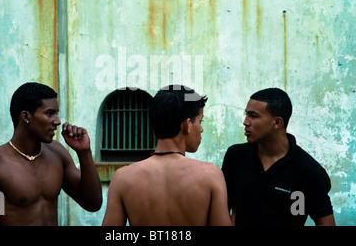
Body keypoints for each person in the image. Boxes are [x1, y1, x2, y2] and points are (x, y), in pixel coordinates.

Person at [0, 82, 102, 225]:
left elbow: (93, 204)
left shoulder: (57, 153)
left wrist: (84, 153)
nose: (58, 121)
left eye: (57, 113)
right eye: (50, 113)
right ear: (26, 116)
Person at [102, 85, 231, 226]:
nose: (201, 129)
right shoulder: (211, 175)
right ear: (187, 125)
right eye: (200, 121)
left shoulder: (122, 178)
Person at [221, 88, 335, 226]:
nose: (245, 122)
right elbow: (222, 207)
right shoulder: (236, 155)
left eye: (253, 116)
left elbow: (325, 222)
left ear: (277, 123)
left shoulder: (309, 171)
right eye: (246, 115)